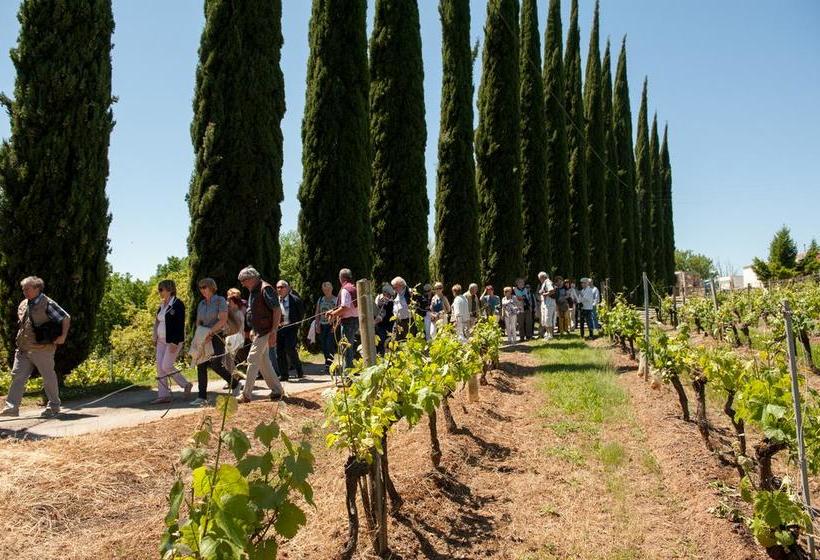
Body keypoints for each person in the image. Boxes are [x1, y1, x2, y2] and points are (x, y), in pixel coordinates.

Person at [2, 276, 70, 418]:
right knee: (17, 377)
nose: (24, 291)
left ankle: (54, 406)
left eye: (27, 288)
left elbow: (65, 317)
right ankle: (12, 408)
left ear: (37, 288)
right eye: (23, 289)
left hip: (42, 349)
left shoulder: (47, 303)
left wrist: (62, 336)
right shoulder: (23, 304)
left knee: (48, 377)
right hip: (23, 349)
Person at [237, 266, 284, 403]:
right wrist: (253, 329)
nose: (242, 284)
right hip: (259, 331)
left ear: (252, 278)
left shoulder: (265, 289)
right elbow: (254, 312)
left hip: (266, 331)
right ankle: (277, 390)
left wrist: (274, 331)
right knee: (263, 362)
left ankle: (246, 395)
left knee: (252, 358)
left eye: (244, 280)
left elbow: (276, 310)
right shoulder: (254, 290)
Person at [192, 278, 238, 405]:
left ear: (212, 287)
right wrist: (200, 334)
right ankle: (201, 397)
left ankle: (235, 384)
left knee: (215, 364)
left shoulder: (220, 300)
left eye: (204, 287)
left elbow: (223, 320)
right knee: (201, 365)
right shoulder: (201, 304)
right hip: (204, 337)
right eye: (200, 287)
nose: (202, 290)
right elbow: (198, 322)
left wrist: (210, 332)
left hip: (217, 336)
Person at [150, 279, 192, 404]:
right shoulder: (162, 305)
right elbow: (157, 321)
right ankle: (164, 395)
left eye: (161, 289)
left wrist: (174, 342)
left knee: (166, 365)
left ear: (170, 289)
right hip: (161, 341)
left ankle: (185, 384)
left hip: (173, 340)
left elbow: (179, 325)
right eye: (159, 290)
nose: (159, 292)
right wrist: (154, 336)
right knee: (160, 367)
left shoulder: (178, 304)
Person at [327, 268, 359, 369]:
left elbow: (345, 307)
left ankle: (347, 374)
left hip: (348, 322)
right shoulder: (354, 287)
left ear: (341, 278)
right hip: (355, 320)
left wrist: (333, 314)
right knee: (349, 348)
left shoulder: (345, 289)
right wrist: (334, 311)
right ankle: (350, 370)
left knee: (346, 349)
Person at [275, 280, 304, 381]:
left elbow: (301, 314)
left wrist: (297, 325)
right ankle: (284, 375)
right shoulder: (274, 301)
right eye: (278, 287)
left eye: (282, 287)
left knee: (289, 348)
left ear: (287, 288)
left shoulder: (295, 300)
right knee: (279, 352)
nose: (280, 289)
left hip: (291, 328)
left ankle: (298, 368)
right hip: (278, 329)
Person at [314, 282, 337, 374]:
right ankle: (327, 363)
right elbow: (317, 313)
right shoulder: (320, 299)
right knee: (324, 346)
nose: (326, 291)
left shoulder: (336, 300)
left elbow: (339, 314)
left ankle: (329, 365)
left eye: (328, 289)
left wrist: (335, 326)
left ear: (331, 289)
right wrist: (317, 325)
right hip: (322, 325)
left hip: (331, 325)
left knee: (329, 345)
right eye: (324, 290)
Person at [374, 282, 395, 355]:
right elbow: (378, 311)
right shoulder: (379, 299)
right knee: (381, 344)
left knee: (389, 344)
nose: (389, 296)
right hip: (381, 326)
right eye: (388, 294)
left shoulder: (390, 302)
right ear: (384, 293)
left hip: (388, 326)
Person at [537, 272, 556, 340]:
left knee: (548, 319)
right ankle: (548, 334)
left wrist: (544, 294)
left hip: (549, 304)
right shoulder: (544, 283)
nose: (540, 280)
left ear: (542, 277)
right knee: (545, 320)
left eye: (540, 278)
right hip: (545, 304)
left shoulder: (547, 282)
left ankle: (550, 335)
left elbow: (552, 291)